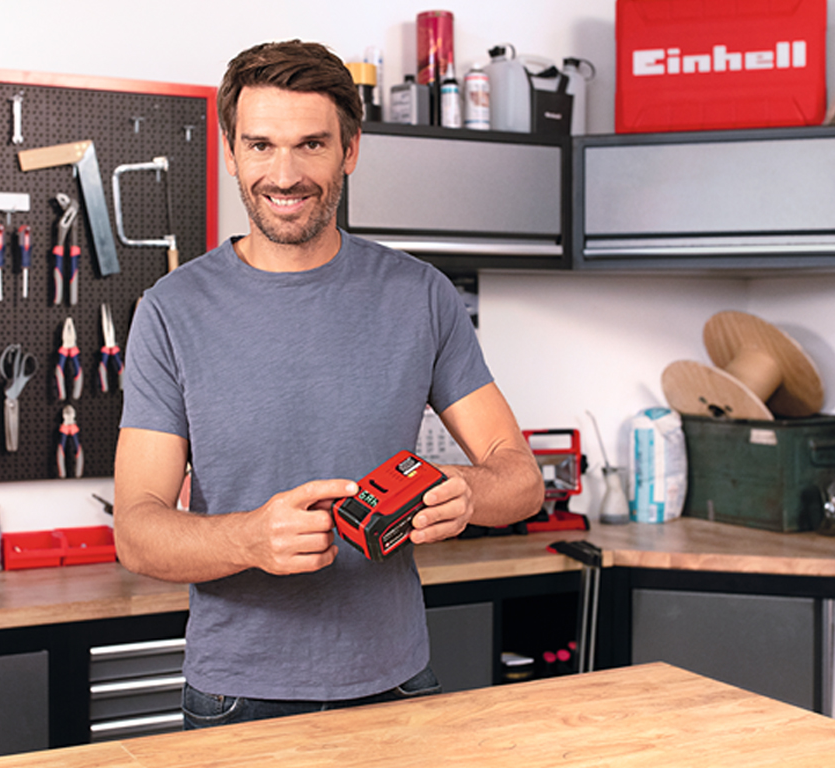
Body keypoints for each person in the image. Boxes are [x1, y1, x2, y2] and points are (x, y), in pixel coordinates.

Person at [113, 39, 544, 729]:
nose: (283, 175)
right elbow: (136, 532)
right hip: (235, 699)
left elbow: (521, 479)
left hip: (397, 685)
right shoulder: (171, 310)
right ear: (231, 153)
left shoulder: (420, 296)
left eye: (311, 145)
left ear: (350, 150)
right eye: (260, 146)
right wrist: (249, 540)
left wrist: (465, 495)